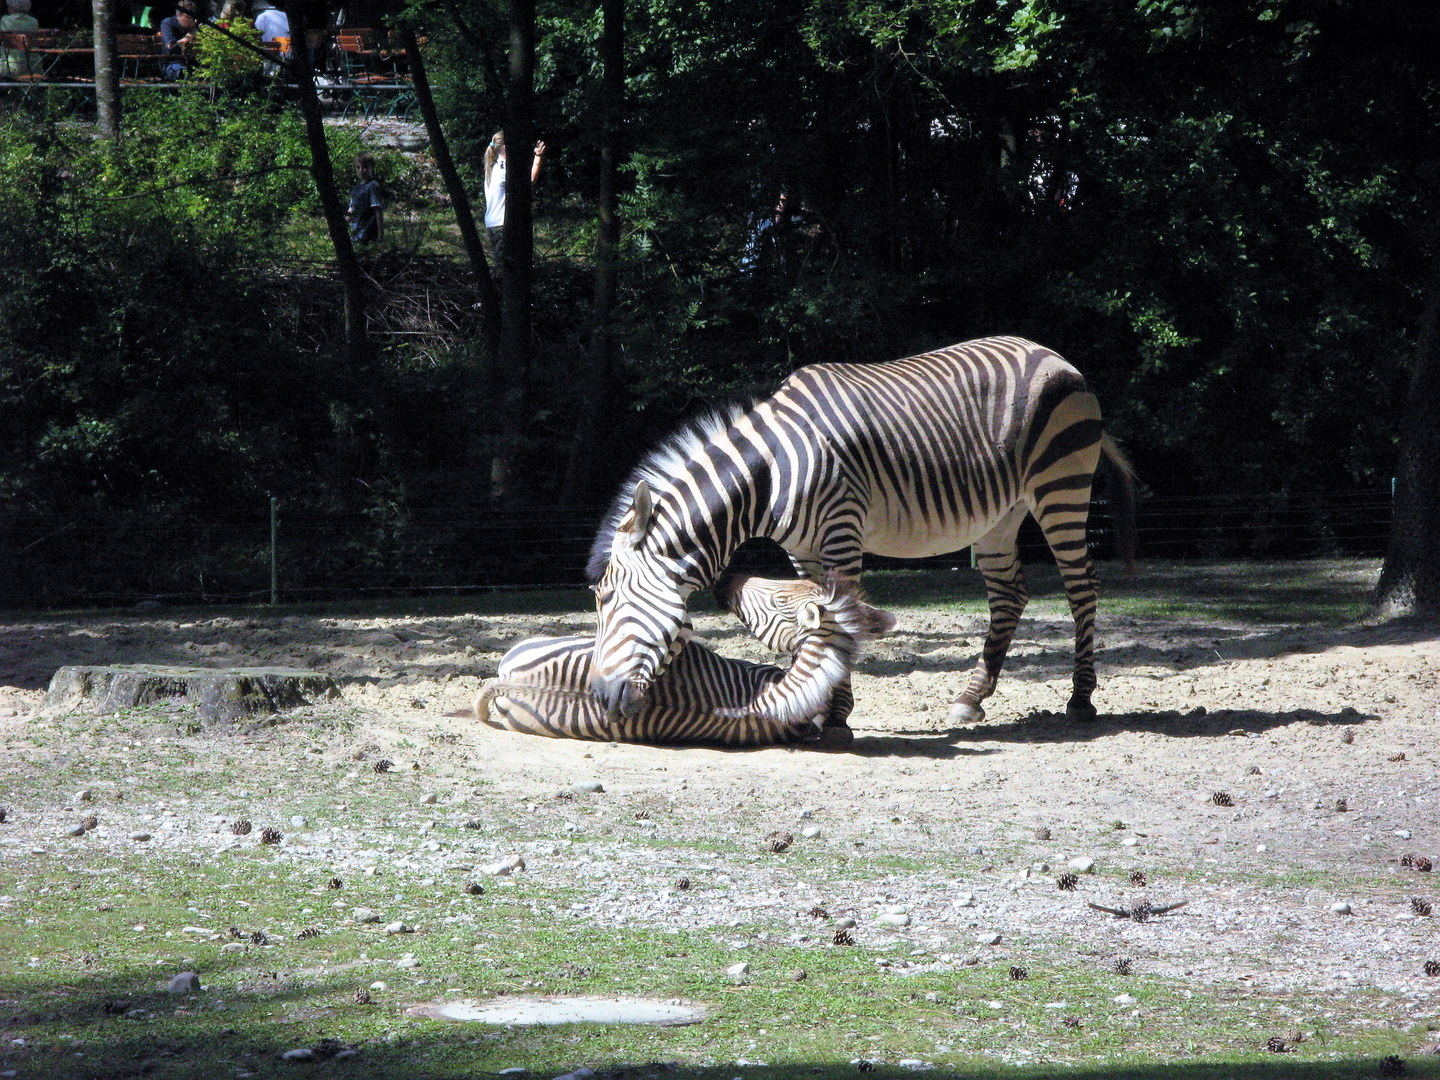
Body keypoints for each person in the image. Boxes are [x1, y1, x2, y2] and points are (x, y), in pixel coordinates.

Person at [482, 130, 544, 271]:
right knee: (506, 268)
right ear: (505, 147)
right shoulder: (506, 170)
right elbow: (530, 181)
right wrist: (538, 156)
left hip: (492, 222)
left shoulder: (493, 167)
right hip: (502, 223)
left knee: (503, 265)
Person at [346, 151, 384, 245]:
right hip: (357, 230)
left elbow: (378, 211)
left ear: (372, 168)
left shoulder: (372, 186)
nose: (361, 171)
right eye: (358, 167)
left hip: (369, 231)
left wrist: (380, 235)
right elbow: (351, 212)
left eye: (365, 167)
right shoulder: (356, 189)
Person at [1, 0, 40, 78]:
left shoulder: (6, 20)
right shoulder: (33, 21)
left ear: (12, 7)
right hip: (34, 65)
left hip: (10, 65)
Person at [158, 4, 198, 80]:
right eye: (189, 17)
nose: (194, 20)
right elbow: (170, 47)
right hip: (173, 63)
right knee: (183, 73)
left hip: (193, 62)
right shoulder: (168, 23)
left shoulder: (195, 26)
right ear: (179, 15)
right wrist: (187, 38)